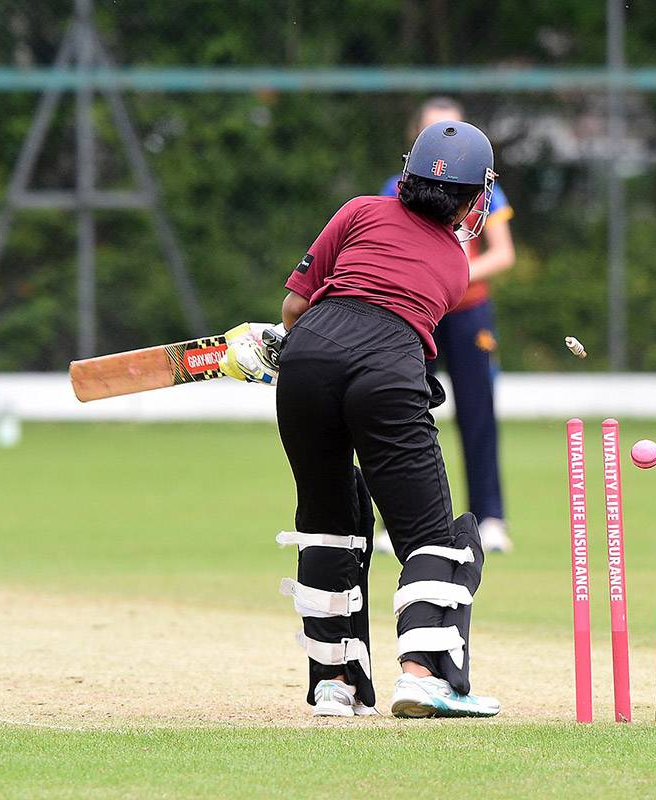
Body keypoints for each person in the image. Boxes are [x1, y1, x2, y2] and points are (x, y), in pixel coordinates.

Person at [221, 120, 502, 718]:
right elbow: (386, 318)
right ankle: (421, 675)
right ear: (475, 198)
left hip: (308, 361)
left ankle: (334, 684)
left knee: (327, 521)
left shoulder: (357, 211)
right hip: (389, 369)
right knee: (433, 537)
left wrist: (283, 350)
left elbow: (297, 307)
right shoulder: (455, 262)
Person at [375, 97, 516, 555]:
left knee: (477, 413)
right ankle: (394, 520)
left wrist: (450, 275)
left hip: (468, 311)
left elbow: (502, 253)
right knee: (400, 412)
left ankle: (490, 517)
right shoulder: (399, 188)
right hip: (418, 310)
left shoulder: (484, 187)